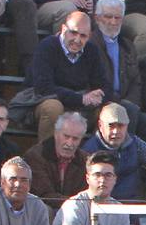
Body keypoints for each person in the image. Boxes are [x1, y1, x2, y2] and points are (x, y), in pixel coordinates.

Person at [12, 10, 110, 144]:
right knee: (53, 107)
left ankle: (95, 154)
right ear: (63, 29)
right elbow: (44, 88)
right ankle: (47, 155)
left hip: (78, 107)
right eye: (73, 33)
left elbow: (104, 85)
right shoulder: (47, 46)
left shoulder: (92, 50)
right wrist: (81, 99)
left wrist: (99, 96)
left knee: (110, 111)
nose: (77, 40)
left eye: (83, 36)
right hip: (41, 102)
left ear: (89, 36)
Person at [81, 102, 146, 202]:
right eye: (111, 126)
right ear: (100, 125)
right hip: (100, 206)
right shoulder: (88, 151)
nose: (116, 131)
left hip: (133, 207)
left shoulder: (137, 144)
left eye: (120, 126)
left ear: (127, 126)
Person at [89, 0, 146, 131]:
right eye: (108, 17)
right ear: (97, 18)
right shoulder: (89, 44)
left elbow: (136, 82)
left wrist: (129, 102)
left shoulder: (127, 46)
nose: (113, 22)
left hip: (125, 104)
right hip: (98, 105)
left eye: (117, 17)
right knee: (126, 112)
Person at [22, 110, 88, 211]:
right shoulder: (36, 156)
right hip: (41, 209)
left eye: (75, 139)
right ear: (56, 133)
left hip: (76, 210)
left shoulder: (85, 160)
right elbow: (44, 195)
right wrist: (75, 203)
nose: (69, 143)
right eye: (66, 136)